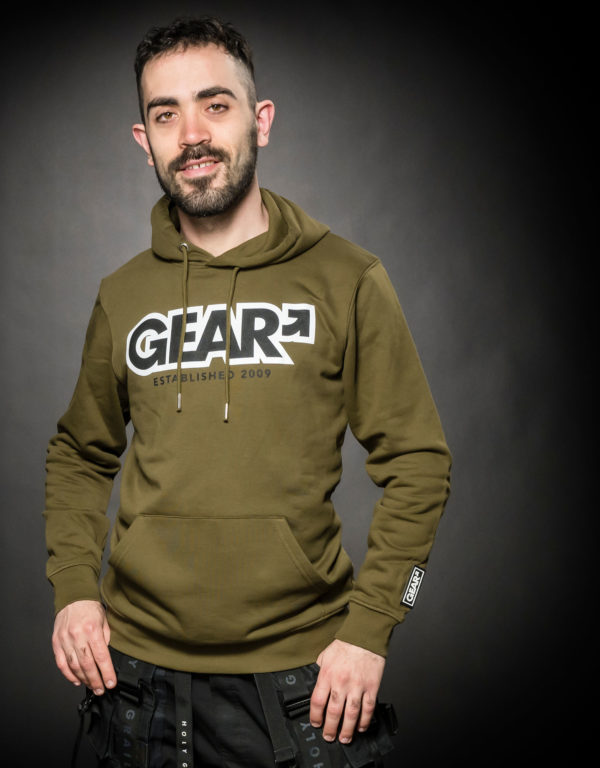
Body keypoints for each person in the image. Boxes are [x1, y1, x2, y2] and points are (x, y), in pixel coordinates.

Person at [44, 15, 451, 767]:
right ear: (144, 140)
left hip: (301, 685)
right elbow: (78, 452)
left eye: (215, 105)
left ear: (260, 121)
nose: (192, 134)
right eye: (166, 114)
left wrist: (374, 626)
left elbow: (421, 463)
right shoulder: (123, 295)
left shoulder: (348, 278)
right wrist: (72, 587)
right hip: (132, 684)